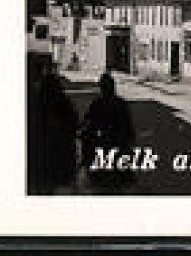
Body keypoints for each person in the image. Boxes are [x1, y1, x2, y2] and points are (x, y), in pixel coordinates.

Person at [77, 72, 135, 192]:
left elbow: (87, 122)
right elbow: (128, 126)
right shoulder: (120, 103)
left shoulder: (97, 103)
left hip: (104, 144)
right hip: (117, 144)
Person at [27, 58, 78, 195]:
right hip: (58, 160)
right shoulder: (63, 103)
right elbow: (74, 123)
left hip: (40, 161)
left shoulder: (35, 103)